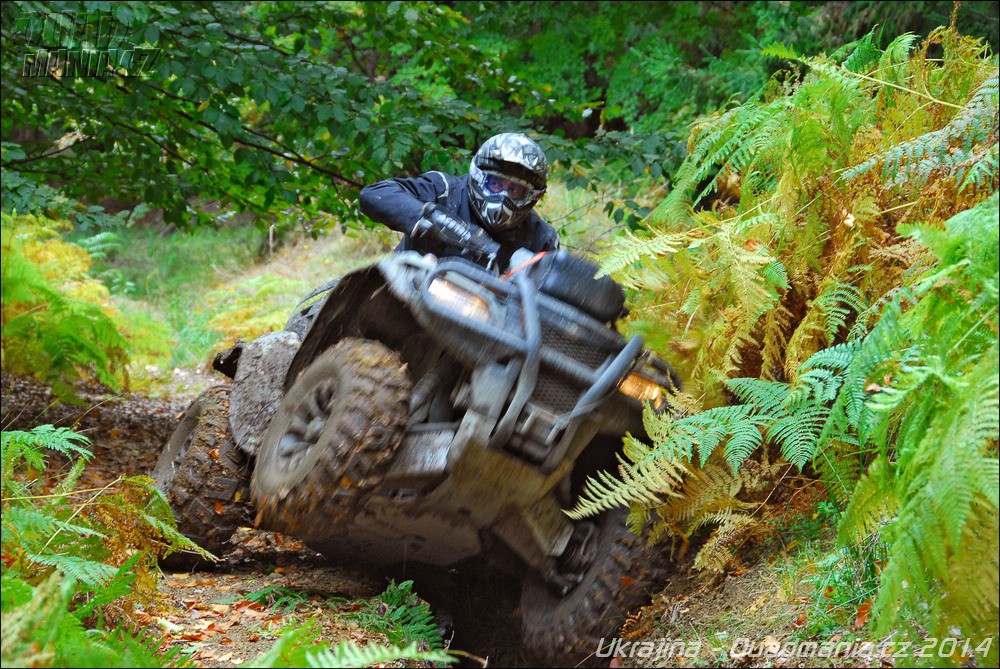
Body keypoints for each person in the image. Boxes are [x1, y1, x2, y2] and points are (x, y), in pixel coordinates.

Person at [359, 132, 559, 272]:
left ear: (531, 196)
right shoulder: (443, 190)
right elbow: (374, 194)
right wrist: (432, 219)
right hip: (407, 292)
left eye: (515, 190)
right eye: (495, 183)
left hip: (487, 314)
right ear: (479, 176)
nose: (503, 196)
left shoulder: (542, 238)